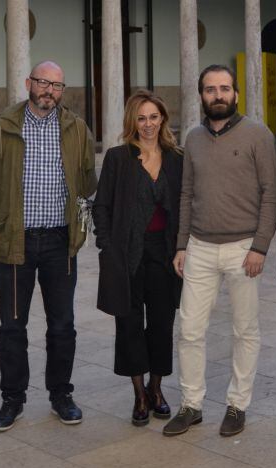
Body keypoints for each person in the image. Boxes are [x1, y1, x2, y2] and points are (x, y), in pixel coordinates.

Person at [0, 60, 97, 432]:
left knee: (63, 325)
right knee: (12, 326)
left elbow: (87, 179)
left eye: (57, 86)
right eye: (43, 83)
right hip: (16, 242)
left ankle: (61, 394)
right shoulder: (2, 127)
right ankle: (12, 399)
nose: (49, 91)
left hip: (61, 242)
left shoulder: (76, 128)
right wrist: (3, 216)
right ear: (29, 83)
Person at [163, 64, 276, 438]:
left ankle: (237, 404)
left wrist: (260, 246)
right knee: (189, 331)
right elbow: (186, 193)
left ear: (236, 94)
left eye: (225, 88)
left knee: (244, 330)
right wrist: (181, 244)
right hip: (199, 246)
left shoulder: (258, 135)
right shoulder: (193, 137)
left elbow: (271, 193)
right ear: (201, 95)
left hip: (243, 248)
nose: (218, 95)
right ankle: (191, 404)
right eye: (211, 89)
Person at [92, 90, 183, 427]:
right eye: (141, 118)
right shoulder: (118, 158)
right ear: (133, 121)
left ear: (163, 119)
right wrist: (107, 245)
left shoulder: (176, 158)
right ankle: (138, 394)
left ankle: (157, 389)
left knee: (162, 322)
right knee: (129, 325)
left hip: (164, 252)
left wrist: (182, 247)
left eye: (153, 117)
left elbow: (184, 206)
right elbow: (102, 205)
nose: (148, 124)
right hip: (126, 253)